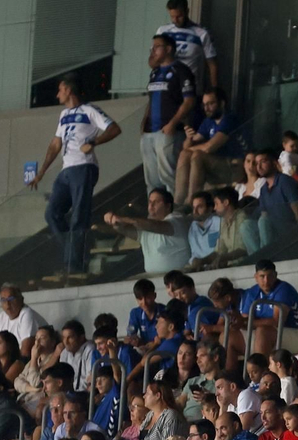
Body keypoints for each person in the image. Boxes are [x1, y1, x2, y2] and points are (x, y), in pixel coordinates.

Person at [30, 73, 120, 275]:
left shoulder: (90, 110)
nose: (57, 95)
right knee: (52, 213)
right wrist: (41, 172)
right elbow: (55, 144)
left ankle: (75, 264)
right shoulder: (63, 115)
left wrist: (94, 142)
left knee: (79, 216)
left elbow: (114, 128)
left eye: (60, 90)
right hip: (66, 170)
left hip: (84, 167)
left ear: (69, 90)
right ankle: (74, 251)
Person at [139, 32, 198, 193]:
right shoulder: (155, 72)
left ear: (169, 49)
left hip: (168, 131)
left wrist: (173, 123)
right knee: (151, 177)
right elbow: (151, 100)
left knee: (169, 175)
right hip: (149, 131)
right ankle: (155, 212)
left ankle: (174, 210)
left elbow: (189, 101)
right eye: (152, 47)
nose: (153, 50)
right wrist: (144, 122)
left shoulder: (181, 70)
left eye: (157, 47)